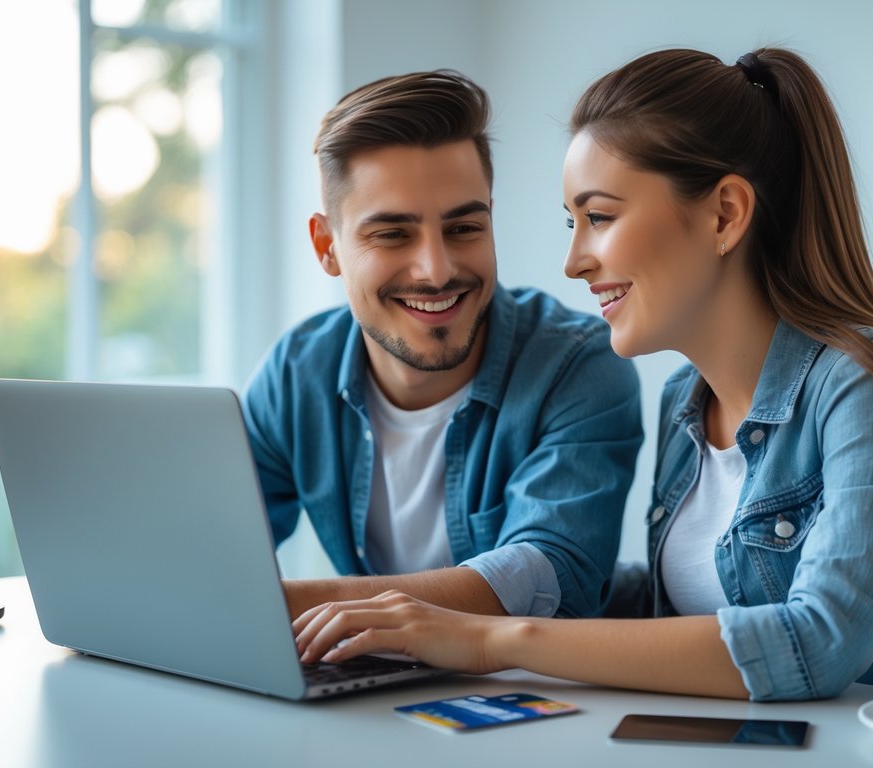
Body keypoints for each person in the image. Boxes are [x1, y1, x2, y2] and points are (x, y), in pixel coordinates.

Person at [291, 47, 873, 702]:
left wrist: (492, 636)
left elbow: (821, 640)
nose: (573, 261)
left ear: (724, 213)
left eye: (598, 217)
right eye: (571, 222)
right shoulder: (686, 401)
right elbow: (682, 609)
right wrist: (543, 569)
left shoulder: (861, 381)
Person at [243, 70, 643, 622]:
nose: (436, 271)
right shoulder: (297, 371)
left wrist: (273, 607)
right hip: (378, 688)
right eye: (392, 234)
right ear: (326, 246)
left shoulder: (575, 363)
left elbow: (548, 575)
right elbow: (212, 549)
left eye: (463, 229)